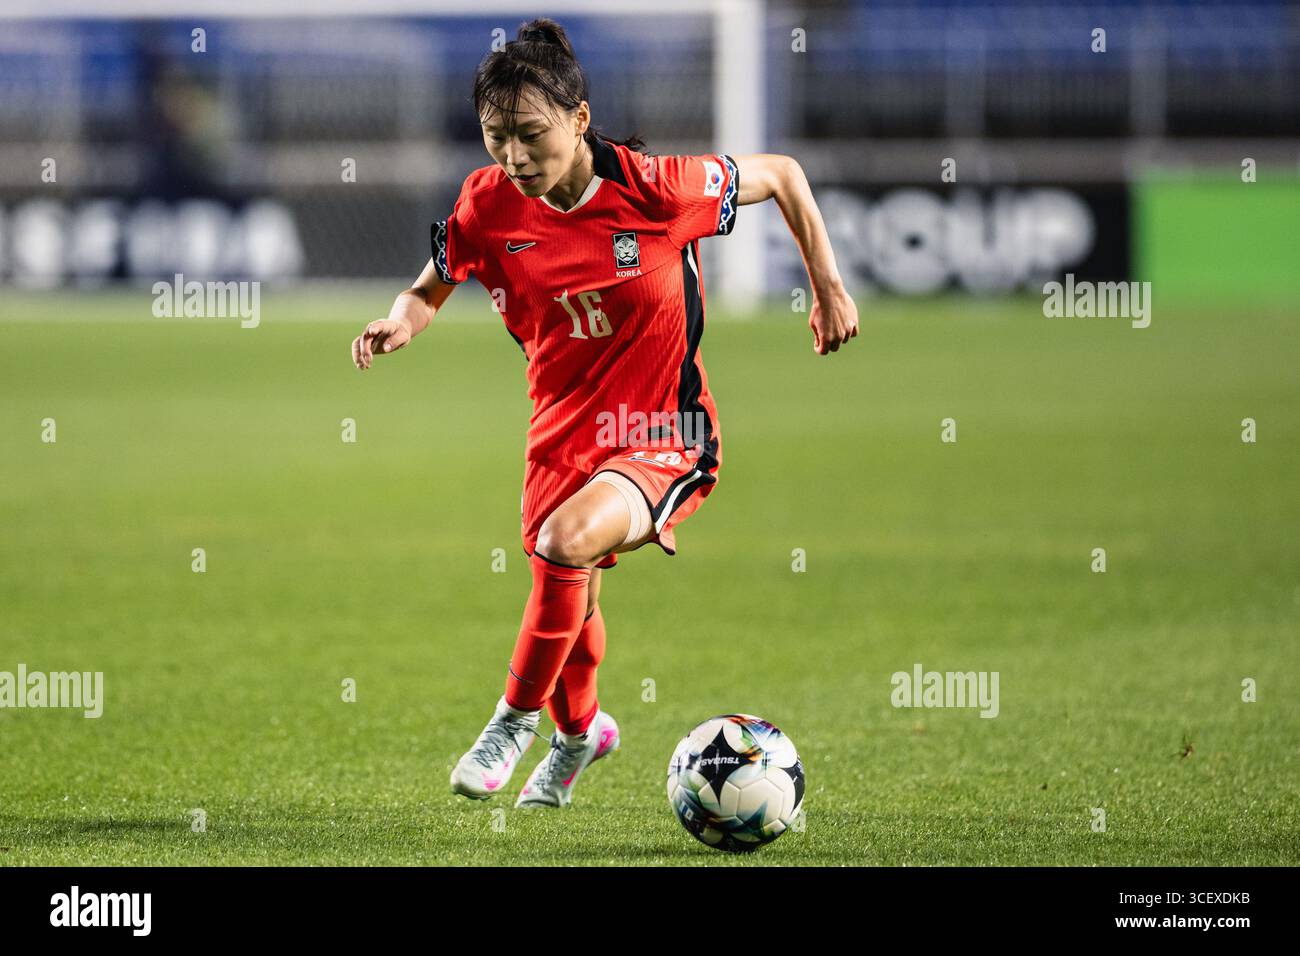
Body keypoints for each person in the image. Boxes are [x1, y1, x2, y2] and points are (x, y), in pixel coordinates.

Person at [351, 18, 857, 809]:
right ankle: (581, 735)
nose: (513, 157)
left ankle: (510, 724)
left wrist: (826, 286)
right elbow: (433, 282)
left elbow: (784, 175)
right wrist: (401, 321)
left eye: (529, 135)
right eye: (495, 137)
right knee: (569, 590)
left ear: (579, 119)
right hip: (559, 431)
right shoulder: (488, 204)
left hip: (663, 432)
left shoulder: (656, 188)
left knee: (565, 542)